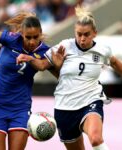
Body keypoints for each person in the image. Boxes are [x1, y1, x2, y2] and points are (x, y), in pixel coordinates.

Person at [16, 5, 122, 150]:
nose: (82, 38)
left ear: (95, 33)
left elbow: (115, 63)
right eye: (79, 34)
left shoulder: (103, 50)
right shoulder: (65, 46)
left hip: (91, 100)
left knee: (96, 139)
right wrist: (29, 59)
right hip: (64, 107)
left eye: (86, 34)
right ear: (75, 32)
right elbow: (42, 65)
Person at [0, 12, 51, 150]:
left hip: (20, 109)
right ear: (21, 33)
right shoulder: (10, 39)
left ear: (40, 33)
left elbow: (54, 69)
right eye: (28, 37)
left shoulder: (45, 51)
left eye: (35, 37)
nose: (32, 42)